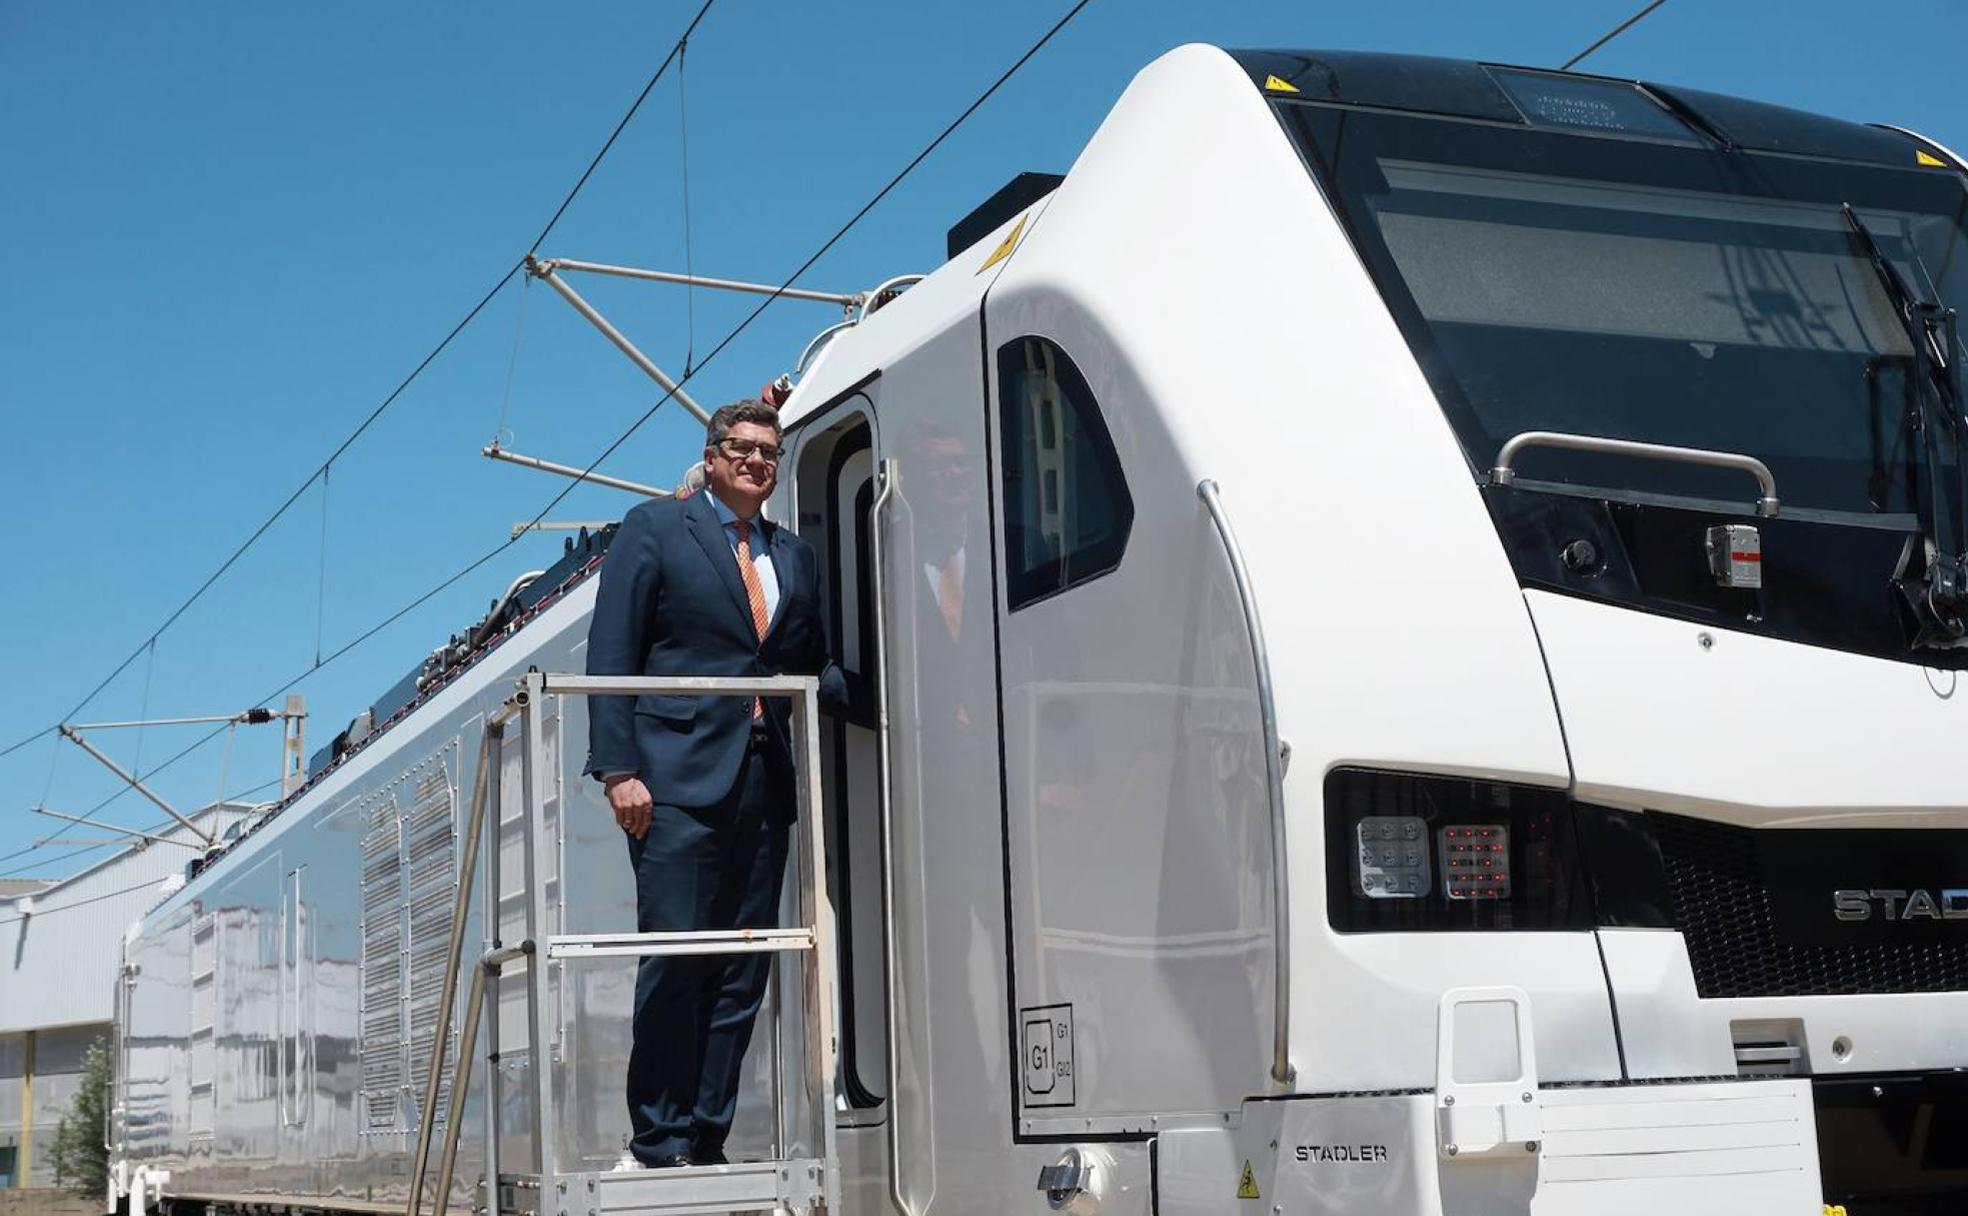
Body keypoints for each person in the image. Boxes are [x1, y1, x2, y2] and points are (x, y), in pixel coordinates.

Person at [584, 396, 845, 1169]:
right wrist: (618, 770)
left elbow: (808, 660)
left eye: (770, 452)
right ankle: (655, 1142)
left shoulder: (792, 555)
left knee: (743, 972)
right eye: (744, 447)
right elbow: (613, 652)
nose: (758, 461)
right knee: (676, 962)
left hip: (764, 782)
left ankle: (706, 1139)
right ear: (713, 453)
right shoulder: (656, 530)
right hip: (674, 785)